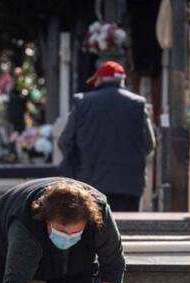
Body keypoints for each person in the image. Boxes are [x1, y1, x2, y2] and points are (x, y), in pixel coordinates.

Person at [58, 61, 155, 212]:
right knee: (127, 225)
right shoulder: (138, 104)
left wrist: (74, 169)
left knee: (94, 224)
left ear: (100, 79)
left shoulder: (83, 103)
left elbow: (65, 141)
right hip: (129, 185)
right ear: (122, 80)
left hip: (89, 184)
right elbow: (149, 144)